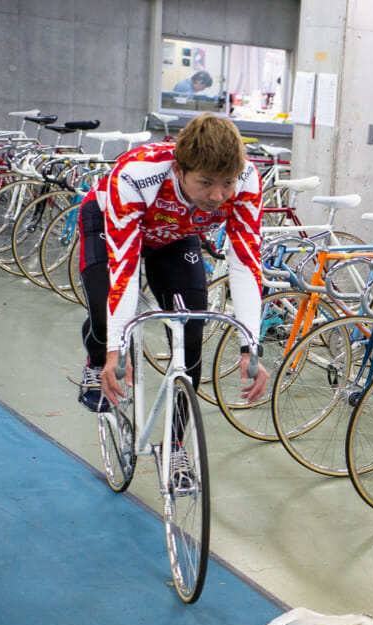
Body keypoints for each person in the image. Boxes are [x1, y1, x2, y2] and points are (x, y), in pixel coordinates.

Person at [76, 113, 268, 440]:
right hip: (111, 225)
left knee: (191, 334)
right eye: (206, 182)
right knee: (105, 318)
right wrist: (113, 351)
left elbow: (245, 263)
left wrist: (250, 345)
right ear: (179, 170)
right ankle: (93, 360)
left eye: (227, 183)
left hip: (175, 235)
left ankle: (176, 446)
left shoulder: (247, 180)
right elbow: (125, 269)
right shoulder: (138, 174)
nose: (218, 196)